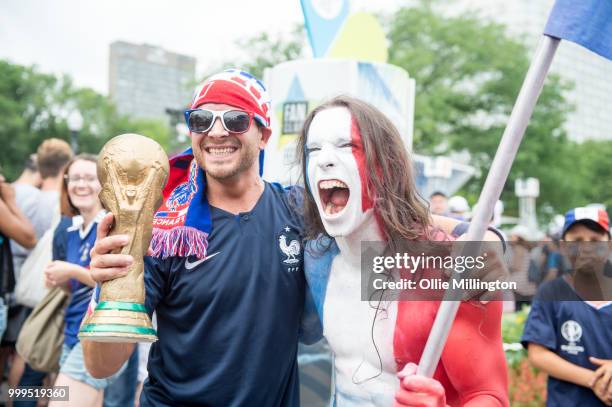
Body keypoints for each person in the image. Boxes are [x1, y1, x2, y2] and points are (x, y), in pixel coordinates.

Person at [82, 70, 479, 406]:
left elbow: (385, 209)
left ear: (264, 133)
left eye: (235, 120)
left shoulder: (301, 211)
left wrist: (472, 234)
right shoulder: (166, 230)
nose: (216, 132)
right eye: (201, 120)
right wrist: (108, 290)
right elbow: (102, 366)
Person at [298, 96, 509, 406]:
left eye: (346, 146)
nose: (325, 160)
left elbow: (489, 396)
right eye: (313, 150)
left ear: (386, 166)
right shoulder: (315, 259)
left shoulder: (453, 270)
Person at [44, 154, 120, 407]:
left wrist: (72, 271)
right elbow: (69, 287)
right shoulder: (66, 228)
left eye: (90, 178)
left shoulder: (115, 225)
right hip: (71, 329)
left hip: (100, 333)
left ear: (105, 185)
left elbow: (116, 283)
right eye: (74, 178)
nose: (81, 184)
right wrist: (58, 277)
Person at [522, 207, 612, 406]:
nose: (586, 247)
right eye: (577, 240)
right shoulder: (551, 293)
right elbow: (538, 354)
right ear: (563, 246)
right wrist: (594, 381)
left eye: (595, 240)